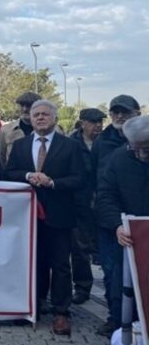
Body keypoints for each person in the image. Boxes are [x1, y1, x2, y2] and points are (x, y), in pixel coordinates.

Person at [4, 100, 86, 336]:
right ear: (30, 117)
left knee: (60, 264)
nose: (40, 118)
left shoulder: (69, 146)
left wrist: (53, 182)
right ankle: (35, 304)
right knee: (33, 261)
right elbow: (9, 174)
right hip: (27, 216)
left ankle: (61, 312)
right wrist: (29, 175)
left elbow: (80, 178)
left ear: (55, 119)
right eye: (36, 114)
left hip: (59, 214)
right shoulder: (20, 146)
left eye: (45, 115)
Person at [91, 116, 149, 345]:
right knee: (119, 295)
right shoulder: (117, 159)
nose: (140, 155)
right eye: (135, 149)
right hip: (122, 240)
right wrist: (116, 224)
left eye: (146, 150)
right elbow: (105, 196)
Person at [93, 95, 142, 337]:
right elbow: (103, 190)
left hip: (143, 228)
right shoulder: (106, 147)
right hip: (113, 227)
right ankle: (118, 327)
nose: (119, 117)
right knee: (115, 279)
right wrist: (115, 224)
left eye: (125, 112)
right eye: (115, 112)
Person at [68, 108, 105, 306]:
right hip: (79, 202)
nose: (97, 125)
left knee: (102, 247)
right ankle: (82, 287)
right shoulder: (71, 143)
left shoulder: (106, 142)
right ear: (82, 123)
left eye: (100, 121)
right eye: (93, 122)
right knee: (79, 247)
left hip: (102, 201)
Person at [0, 91, 41, 168]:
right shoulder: (5, 130)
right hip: (14, 178)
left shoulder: (52, 130)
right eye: (22, 105)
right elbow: (2, 158)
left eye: (29, 105)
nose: (24, 109)